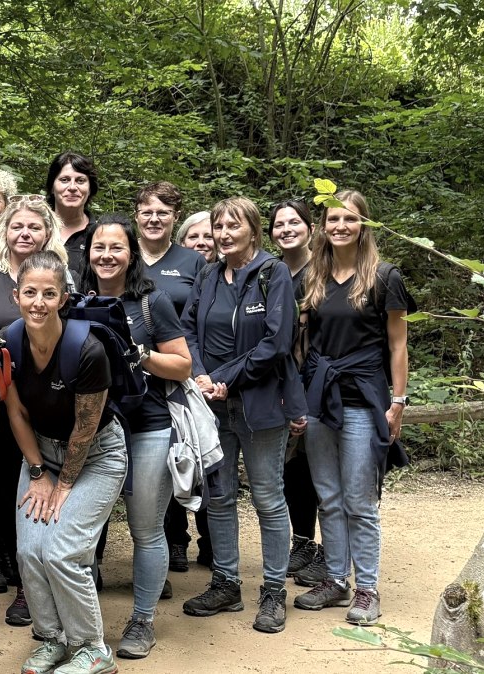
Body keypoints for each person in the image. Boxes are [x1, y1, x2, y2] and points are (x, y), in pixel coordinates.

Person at [179, 197, 304, 634]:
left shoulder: (274, 274)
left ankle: (273, 591)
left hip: (260, 404)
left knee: (268, 497)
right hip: (212, 405)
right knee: (220, 496)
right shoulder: (209, 274)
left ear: (253, 230)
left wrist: (226, 376)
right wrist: (199, 374)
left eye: (234, 225)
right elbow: (188, 329)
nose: (224, 233)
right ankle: (226, 582)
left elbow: (276, 342)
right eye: (218, 226)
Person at [2, 251, 128, 674]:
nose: (38, 302)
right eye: (30, 293)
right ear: (16, 295)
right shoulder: (9, 342)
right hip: (40, 451)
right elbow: (16, 412)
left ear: (63, 298)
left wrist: (63, 484)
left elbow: (86, 428)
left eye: (49, 294)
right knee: (30, 552)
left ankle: (92, 647)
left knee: (63, 553)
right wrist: (38, 472)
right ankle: (52, 639)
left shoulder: (87, 351)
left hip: (95, 455)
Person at [291, 190, 412, 625]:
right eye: (333, 219)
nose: (340, 226)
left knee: (360, 498)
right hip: (321, 397)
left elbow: (398, 346)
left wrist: (398, 401)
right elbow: (301, 342)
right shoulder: (313, 277)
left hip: (364, 397)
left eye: (350, 218)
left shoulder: (383, 277)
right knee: (329, 496)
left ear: (364, 225)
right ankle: (336, 580)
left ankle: (367, 588)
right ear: (322, 226)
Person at [77, 219, 193, 659]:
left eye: (116, 247)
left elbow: (182, 365)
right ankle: (82, 624)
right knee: (84, 532)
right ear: (88, 253)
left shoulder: (151, 302)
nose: (106, 255)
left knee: (146, 529)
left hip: (148, 426)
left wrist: (139, 354)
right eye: (98, 247)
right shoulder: (76, 302)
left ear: (131, 254)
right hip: (94, 431)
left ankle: (142, 621)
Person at [0, 195, 70, 626]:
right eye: (17, 226)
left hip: (41, 398)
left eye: (34, 228)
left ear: (47, 233)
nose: (25, 234)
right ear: (5, 231)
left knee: (28, 478)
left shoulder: (61, 275)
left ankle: (25, 563)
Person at [134, 182, 211, 574]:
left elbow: (199, 322)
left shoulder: (192, 261)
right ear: (136, 215)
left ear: (174, 217)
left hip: (179, 371)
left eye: (163, 212)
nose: (154, 218)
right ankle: (168, 547)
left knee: (176, 464)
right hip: (135, 381)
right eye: (147, 211)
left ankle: (182, 547)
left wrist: (199, 371)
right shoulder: (125, 257)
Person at [267, 199, 326, 587]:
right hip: (279, 378)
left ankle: (329, 552)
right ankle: (303, 540)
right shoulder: (270, 272)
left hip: (317, 377)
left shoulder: (322, 270)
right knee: (292, 465)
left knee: (320, 464)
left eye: (294, 222)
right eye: (279, 224)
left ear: (309, 227)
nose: (286, 229)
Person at [44, 152, 99, 282]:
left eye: (80, 180)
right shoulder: (35, 229)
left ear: (90, 188)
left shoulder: (99, 233)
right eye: (64, 180)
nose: (72, 187)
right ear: (52, 187)